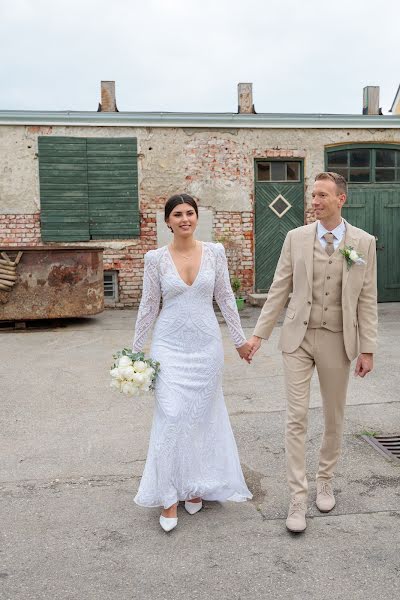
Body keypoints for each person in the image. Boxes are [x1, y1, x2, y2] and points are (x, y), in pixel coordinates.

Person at [247, 172, 378, 533]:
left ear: (341, 199)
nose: (315, 201)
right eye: (313, 195)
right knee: (296, 417)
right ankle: (297, 497)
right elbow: (279, 288)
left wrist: (368, 348)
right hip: (298, 338)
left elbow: (367, 299)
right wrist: (258, 335)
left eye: (322, 195)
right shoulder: (295, 238)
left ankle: (325, 480)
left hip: (339, 339)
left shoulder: (363, 243)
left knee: (334, 417)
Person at [132, 193, 252, 532]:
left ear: (196, 217)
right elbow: (148, 306)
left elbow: (226, 297)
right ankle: (168, 497)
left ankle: (195, 485)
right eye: (177, 214)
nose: (185, 219)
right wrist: (135, 352)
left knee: (201, 417)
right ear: (167, 221)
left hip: (206, 346)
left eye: (190, 213)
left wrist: (240, 341)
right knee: (170, 416)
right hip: (169, 346)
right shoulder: (155, 259)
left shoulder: (215, 252)